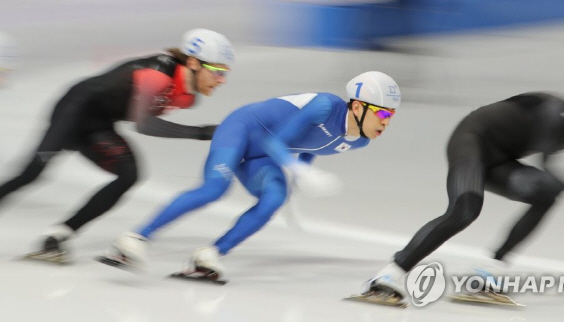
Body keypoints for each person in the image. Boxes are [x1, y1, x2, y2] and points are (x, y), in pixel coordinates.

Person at [357, 74, 564, 305]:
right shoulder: (554, 115)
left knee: (546, 193)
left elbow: (547, 174)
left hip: (500, 159)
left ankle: (487, 274)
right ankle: (386, 277)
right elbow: (548, 166)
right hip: (471, 141)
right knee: (464, 211)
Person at [97, 71, 401, 281]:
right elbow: (275, 142)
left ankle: (210, 254)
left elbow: (314, 144)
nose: (387, 122)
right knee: (215, 188)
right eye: (384, 113)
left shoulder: (360, 139)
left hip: (263, 155)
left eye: (392, 115)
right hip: (242, 129)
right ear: (359, 106)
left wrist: (301, 175)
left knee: (274, 199)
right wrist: (296, 169)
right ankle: (135, 239)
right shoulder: (325, 105)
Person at [0, 28, 234, 263]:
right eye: (217, 71)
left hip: (98, 125)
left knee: (128, 174)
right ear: (193, 62)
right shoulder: (159, 71)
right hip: (73, 110)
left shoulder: (187, 98)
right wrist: (202, 132)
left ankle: (58, 235)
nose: (222, 80)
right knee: (32, 172)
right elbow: (144, 124)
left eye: (225, 73)